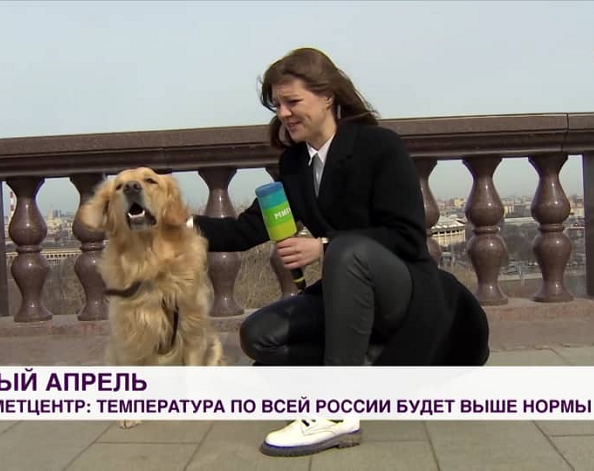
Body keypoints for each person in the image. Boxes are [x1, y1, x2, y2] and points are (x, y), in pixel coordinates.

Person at [190, 47, 489, 457]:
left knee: (346, 249)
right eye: (277, 104)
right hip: (350, 296)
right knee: (259, 337)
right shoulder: (295, 164)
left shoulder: (379, 146)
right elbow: (246, 229)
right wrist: (175, 225)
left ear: (327, 95)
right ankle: (368, 368)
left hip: (408, 293)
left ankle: (336, 411)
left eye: (292, 101)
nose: (283, 113)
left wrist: (322, 246)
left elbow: (407, 236)